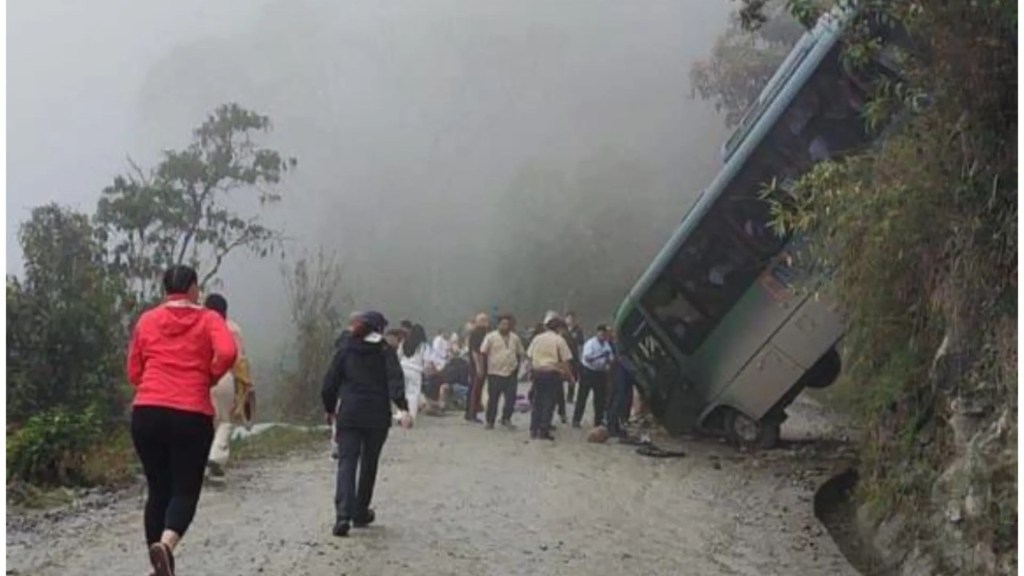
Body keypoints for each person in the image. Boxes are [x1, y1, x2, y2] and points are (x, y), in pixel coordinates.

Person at [127, 265, 238, 576]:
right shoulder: (208, 318)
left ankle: (157, 565)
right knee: (185, 489)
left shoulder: (147, 320)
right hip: (191, 413)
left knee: (158, 489)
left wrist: (152, 385)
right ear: (192, 288)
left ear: (165, 289)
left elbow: (133, 372)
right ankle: (165, 546)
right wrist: (210, 375)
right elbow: (228, 352)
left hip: (147, 413)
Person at [321, 311, 412, 537]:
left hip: (349, 414)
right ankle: (360, 511)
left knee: (346, 463)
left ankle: (342, 515)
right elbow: (395, 381)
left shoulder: (345, 349)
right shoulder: (384, 351)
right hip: (377, 416)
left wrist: (330, 409)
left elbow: (329, 383)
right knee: (369, 463)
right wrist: (403, 408)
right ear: (379, 329)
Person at [202, 293, 254, 479]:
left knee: (207, 421)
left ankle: (202, 460)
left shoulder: (199, 327)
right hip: (226, 378)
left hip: (202, 378)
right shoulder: (233, 329)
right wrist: (246, 385)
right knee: (225, 420)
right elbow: (241, 359)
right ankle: (216, 457)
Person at [526, 312, 574, 441]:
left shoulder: (537, 338)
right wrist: (570, 377)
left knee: (537, 402)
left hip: (537, 372)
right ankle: (544, 430)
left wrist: (530, 371)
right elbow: (565, 361)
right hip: (552, 373)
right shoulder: (559, 340)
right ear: (559, 328)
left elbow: (529, 356)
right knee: (549, 402)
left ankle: (533, 429)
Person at [480, 313, 526, 429]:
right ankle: (490, 421)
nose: (505, 326)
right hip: (494, 372)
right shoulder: (490, 337)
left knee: (510, 398)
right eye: (503, 324)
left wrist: (519, 368)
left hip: (511, 373)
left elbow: (521, 353)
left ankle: (506, 418)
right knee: (493, 399)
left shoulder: (515, 337)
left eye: (507, 324)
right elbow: (483, 353)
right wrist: (481, 368)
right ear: (498, 324)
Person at [573, 324, 614, 428]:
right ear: (597, 333)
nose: (602, 336)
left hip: (600, 373)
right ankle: (576, 420)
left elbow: (611, 359)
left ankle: (598, 421)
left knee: (600, 398)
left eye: (604, 334)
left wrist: (608, 360)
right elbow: (588, 359)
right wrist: (601, 356)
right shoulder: (590, 344)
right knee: (582, 396)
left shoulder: (606, 345)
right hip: (588, 371)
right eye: (600, 334)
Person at [397, 324, 429, 420]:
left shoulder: (404, 342)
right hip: (415, 371)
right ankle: (410, 417)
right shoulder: (423, 346)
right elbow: (426, 361)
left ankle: (400, 416)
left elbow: (398, 355)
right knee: (413, 395)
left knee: (403, 394)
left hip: (403, 368)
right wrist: (425, 370)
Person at [464, 313, 490, 423]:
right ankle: (472, 413)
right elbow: (476, 351)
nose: (486, 323)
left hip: (476, 365)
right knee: (476, 389)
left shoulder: (477, 333)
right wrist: (480, 367)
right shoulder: (478, 333)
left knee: (473, 389)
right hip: (477, 365)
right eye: (484, 320)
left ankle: (470, 412)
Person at [564, 312, 585, 403]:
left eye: (572, 318)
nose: (570, 320)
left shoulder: (578, 330)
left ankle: (570, 396)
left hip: (574, 357)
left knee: (573, 377)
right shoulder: (563, 330)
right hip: (563, 356)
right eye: (568, 318)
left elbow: (581, 344)